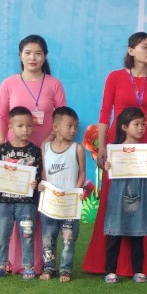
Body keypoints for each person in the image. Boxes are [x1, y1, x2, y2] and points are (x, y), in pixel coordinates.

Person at [82, 32, 147, 276]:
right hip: (117, 143)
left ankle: (139, 266)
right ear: (131, 50)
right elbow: (105, 113)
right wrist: (103, 145)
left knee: (143, 200)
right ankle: (107, 264)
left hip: (146, 145)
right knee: (113, 199)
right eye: (145, 46)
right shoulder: (115, 77)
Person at [0, 35, 67, 274]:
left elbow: (62, 117)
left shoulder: (54, 84)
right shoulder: (9, 83)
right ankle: (10, 261)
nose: (32, 57)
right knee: (15, 202)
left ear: (45, 56)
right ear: (20, 55)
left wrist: (51, 140)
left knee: (40, 204)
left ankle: (41, 261)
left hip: (47, 151)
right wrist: (0, 141)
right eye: (27, 53)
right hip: (15, 153)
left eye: (38, 53)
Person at [103, 106, 147, 283]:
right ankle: (110, 270)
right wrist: (107, 165)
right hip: (118, 193)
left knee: (138, 233)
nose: (141, 128)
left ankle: (138, 270)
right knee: (114, 233)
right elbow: (106, 167)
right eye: (136, 124)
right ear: (124, 127)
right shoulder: (115, 150)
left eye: (143, 124)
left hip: (139, 191)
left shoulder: (146, 151)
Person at [0, 107, 43, 279]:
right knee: (2, 233)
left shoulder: (35, 150)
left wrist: (36, 182)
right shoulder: (2, 150)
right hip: (4, 201)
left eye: (29, 125)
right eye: (20, 126)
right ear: (10, 126)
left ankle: (28, 267)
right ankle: (1, 265)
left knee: (27, 234)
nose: (25, 129)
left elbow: (39, 174)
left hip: (27, 203)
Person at [38, 106, 86, 282]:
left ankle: (65, 269)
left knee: (68, 238)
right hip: (49, 203)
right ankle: (49, 267)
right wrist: (42, 185)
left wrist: (77, 191)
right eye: (69, 126)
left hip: (69, 205)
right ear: (56, 127)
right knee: (48, 238)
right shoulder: (45, 147)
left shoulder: (77, 148)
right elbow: (44, 172)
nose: (73, 130)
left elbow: (82, 173)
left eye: (76, 126)